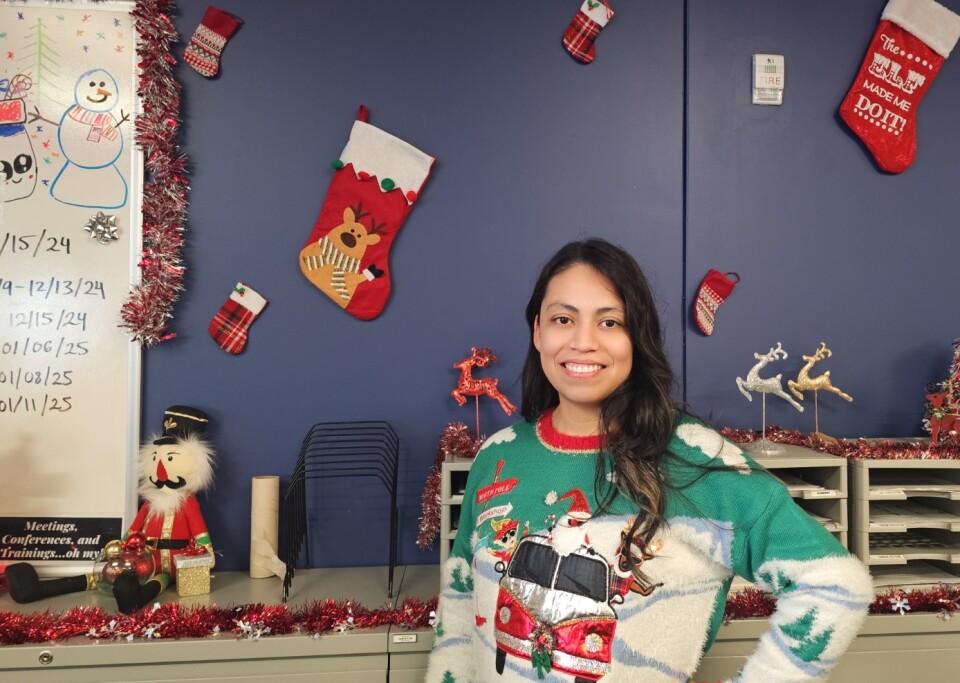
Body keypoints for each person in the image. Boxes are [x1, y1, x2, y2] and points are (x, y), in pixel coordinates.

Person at [425, 238, 873, 683]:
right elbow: (462, 603)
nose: (583, 342)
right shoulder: (498, 454)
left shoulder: (691, 457)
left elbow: (834, 583)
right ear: (537, 331)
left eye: (610, 322)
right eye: (563, 319)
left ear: (637, 336)